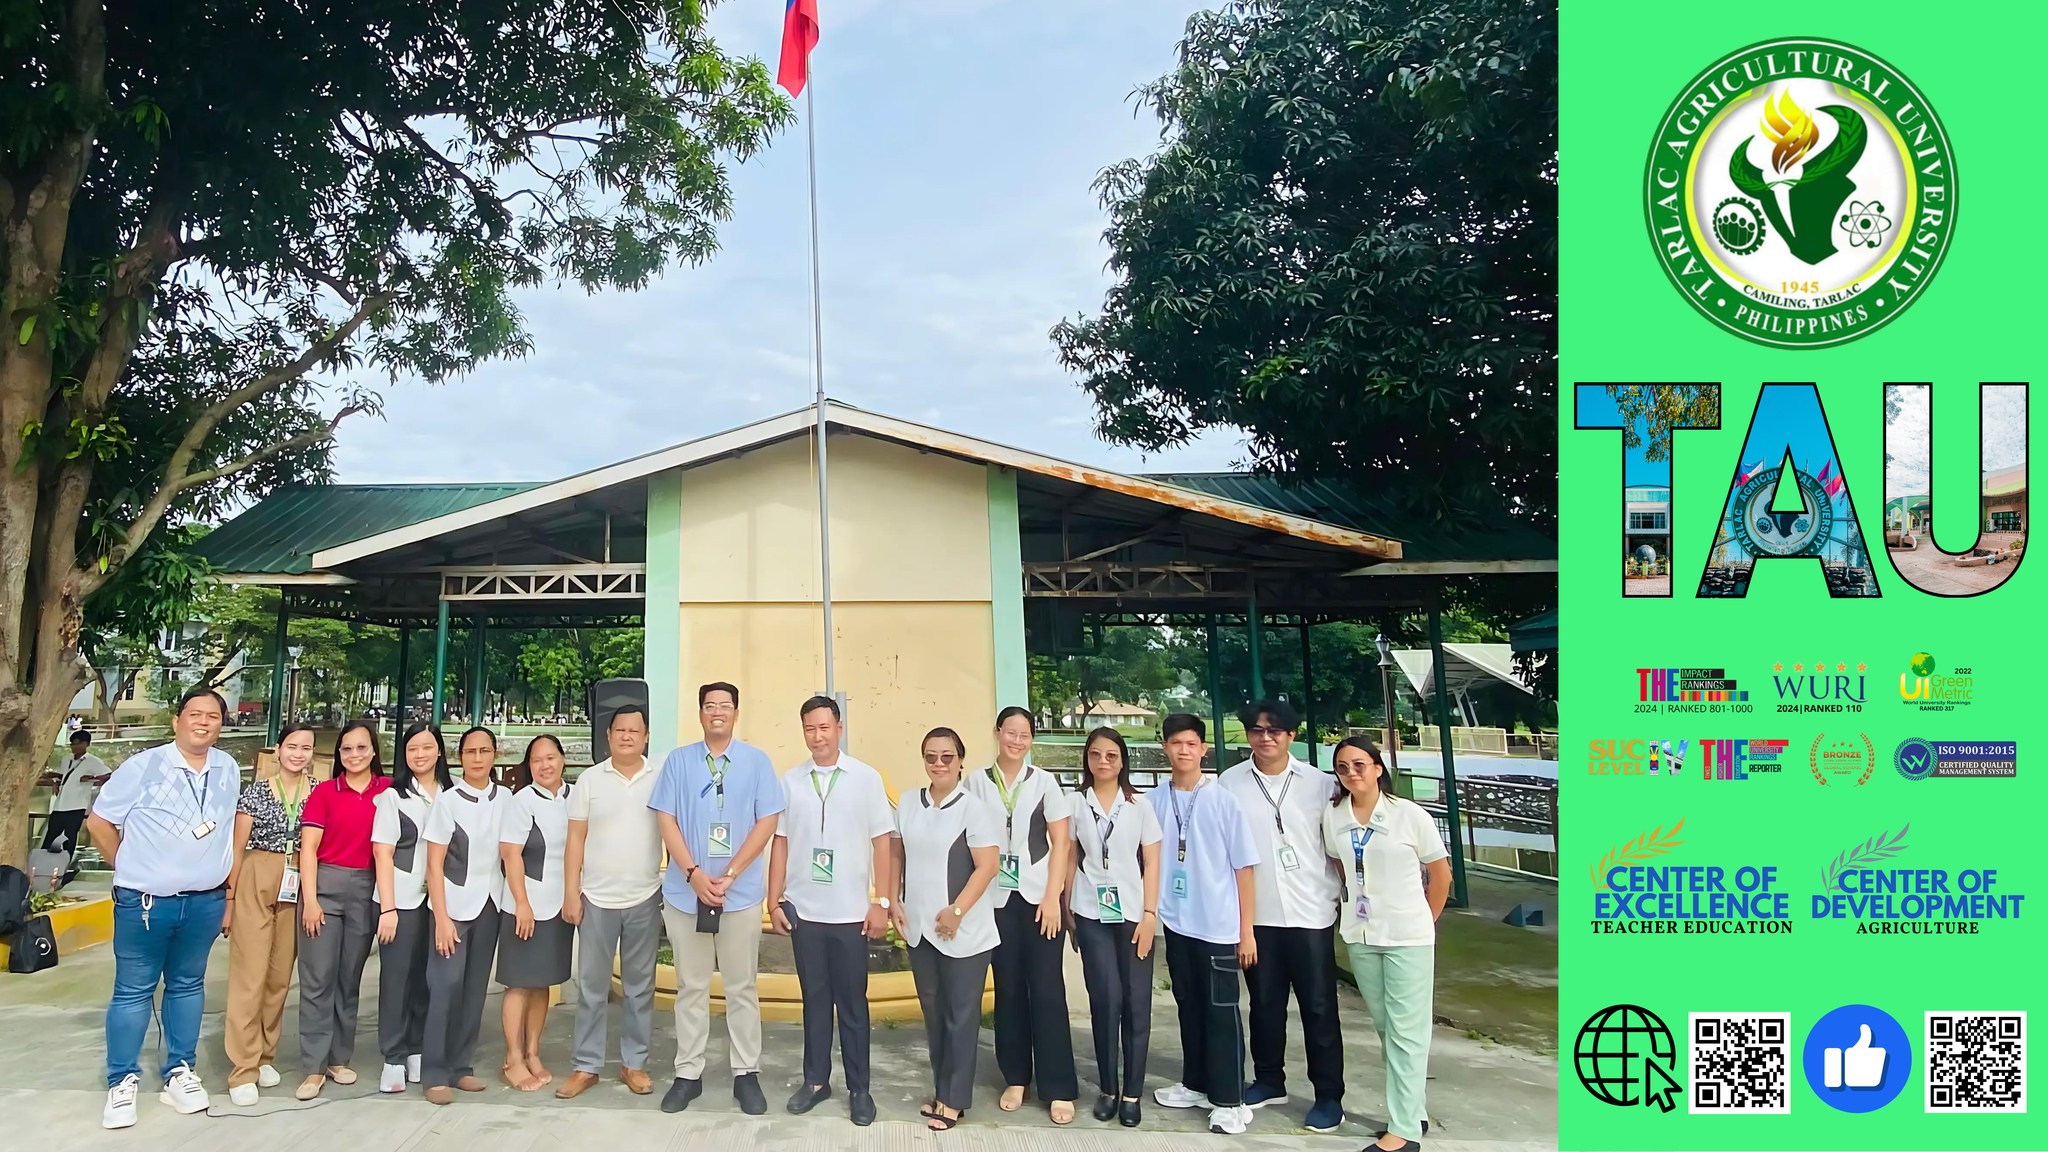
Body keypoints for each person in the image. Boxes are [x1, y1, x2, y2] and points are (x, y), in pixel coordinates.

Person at [86, 688, 242, 1129]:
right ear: (178, 720)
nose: (204, 722)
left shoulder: (227, 768)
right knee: (134, 991)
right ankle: (122, 1080)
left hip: (204, 902)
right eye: (195, 714)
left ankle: (179, 1069)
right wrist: (128, 866)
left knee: (188, 986)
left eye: (213, 716)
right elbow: (99, 821)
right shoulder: (144, 766)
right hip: (146, 904)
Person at [649, 682, 784, 1115]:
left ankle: (747, 1073)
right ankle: (688, 1074)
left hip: (738, 894)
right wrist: (691, 873)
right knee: (691, 986)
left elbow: (766, 822)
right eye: (710, 706)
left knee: (741, 986)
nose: (717, 712)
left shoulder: (756, 762)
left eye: (725, 706)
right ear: (701, 713)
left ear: (736, 712)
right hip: (686, 893)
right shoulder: (679, 761)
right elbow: (666, 819)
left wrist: (729, 874)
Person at [1216, 699, 1346, 1131]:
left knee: (1319, 1008)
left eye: (1275, 730)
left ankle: (1329, 1095)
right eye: (1256, 729)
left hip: (1311, 913)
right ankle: (1270, 1079)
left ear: (1292, 735)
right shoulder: (1229, 784)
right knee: (1264, 1005)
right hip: (1259, 916)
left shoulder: (1320, 784)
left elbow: (1339, 845)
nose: (1265, 737)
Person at [766, 696, 895, 1126]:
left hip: (851, 914)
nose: (817, 737)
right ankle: (816, 1082)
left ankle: (860, 1089)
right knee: (814, 1001)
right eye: (809, 729)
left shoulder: (865, 778)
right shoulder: (791, 781)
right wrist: (774, 897)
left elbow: (883, 842)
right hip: (805, 911)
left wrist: (882, 902)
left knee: (853, 1004)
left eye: (824, 728)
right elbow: (780, 841)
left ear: (839, 727)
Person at [1323, 738, 1451, 1152]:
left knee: (1407, 1034)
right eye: (1342, 767)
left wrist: (1422, 920)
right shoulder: (1335, 814)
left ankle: (1404, 1133)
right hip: (1361, 935)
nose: (1351, 773)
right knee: (1386, 1028)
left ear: (1378, 767)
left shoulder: (1408, 815)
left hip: (1407, 938)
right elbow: (1342, 864)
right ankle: (1414, 1110)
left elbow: (1440, 874)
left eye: (1359, 764)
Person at [1147, 713, 1260, 1135]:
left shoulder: (1222, 800)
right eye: (1175, 743)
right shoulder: (1155, 799)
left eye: (1191, 744)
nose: (1183, 751)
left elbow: (1244, 869)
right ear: (1165, 748)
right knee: (1188, 1006)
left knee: (1222, 1012)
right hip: (1177, 922)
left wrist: (1246, 930)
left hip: (1218, 926)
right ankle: (1196, 1083)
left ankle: (1230, 1099)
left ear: (1203, 749)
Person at [963, 706, 1077, 1123]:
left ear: (1031, 739)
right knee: (1007, 991)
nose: (1017, 740)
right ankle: (1016, 1077)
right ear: (997, 734)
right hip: (994, 901)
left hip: (1037, 899)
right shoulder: (975, 781)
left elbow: (1060, 843)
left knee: (1047, 991)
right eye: (1010, 732)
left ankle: (1059, 1086)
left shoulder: (1045, 783)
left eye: (1024, 734)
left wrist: (1052, 897)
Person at [891, 727, 1002, 1133]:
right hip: (920, 928)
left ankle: (954, 1100)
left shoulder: (974, 808)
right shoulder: (908, 802)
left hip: (963, 931)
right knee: (935, 1014)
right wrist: (892, 901)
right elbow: (895, 852)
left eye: (947, 757)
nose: (939, 764)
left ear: (960, 761)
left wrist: (957, 910)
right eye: (931, 757)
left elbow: (988, 866)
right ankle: (943, 1091)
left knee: (960, 1015)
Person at [559, 704, 665, 1099]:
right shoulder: (589, 781)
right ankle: (586, 1066)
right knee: (591, 986)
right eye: (619, 730)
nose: (626, 736)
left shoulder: (660, 778)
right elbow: (575, 840)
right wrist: (572, 891)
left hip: (644, 895)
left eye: (634, 731)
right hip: (597, 899)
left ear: (645, 736)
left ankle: (633, 1063)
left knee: (640, 987)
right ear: (608, 736)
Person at [1066, 727, 1162, 1127]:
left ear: (1123, 760)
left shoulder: (1139, 805)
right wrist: (1066, 907)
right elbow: (1069, 856)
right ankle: (1108, 1088)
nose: (1103, 762)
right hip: (1091, 913)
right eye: (1095, 755)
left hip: (1133, 917)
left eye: (1111, 755)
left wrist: (1150, 915)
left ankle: (1133, 1093)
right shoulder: (1075, 803)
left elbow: (1153, 861)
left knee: (1136, 1004)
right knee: (1105, 1001)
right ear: (1087, 760)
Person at [221, 724, 318, 1105]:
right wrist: (228, 901)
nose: (298, 753)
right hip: (259, 873)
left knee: (279, 975)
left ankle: (264, 1053)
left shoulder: (318, 793)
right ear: (278, 749)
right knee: (250, 974)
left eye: (306, 747)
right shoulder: (257, 792)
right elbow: (237, 846)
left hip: (298, 877)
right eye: (292, 746)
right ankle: (242, 1067)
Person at [420, 726, 512, 1104]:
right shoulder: (448, 800)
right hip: (453, 907)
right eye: (470, 751)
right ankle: (435, 1072)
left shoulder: (507, 798)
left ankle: (462, 1067)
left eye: (484, 751)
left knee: (475, 990)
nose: (478, 758)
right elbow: (434, 865)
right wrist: (441, 918)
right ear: (459, 757)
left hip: (490, 904)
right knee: (444, 988)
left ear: (494, 755)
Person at [374, 722, 451, 1093]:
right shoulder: (393, 797)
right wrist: (388, 909)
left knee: (428, 977)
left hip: (440, 903)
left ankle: (418, 1048)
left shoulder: (452, 794)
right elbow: (383, 853)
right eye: (411, 749)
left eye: (426, 747)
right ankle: (393, 1055)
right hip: (401, 901)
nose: (419, 755)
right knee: (397, 979)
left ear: (439, 751)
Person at [497, 733, 574, 1091]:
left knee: (543, 982)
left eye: (551, 758)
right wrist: (522, 904)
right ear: (529, 766)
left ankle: (533, 1052)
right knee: (520, 983)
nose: (545, 765)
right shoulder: (522, 801)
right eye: (536, 760)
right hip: (525, 905)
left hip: (560, 905)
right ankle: (513, 1057)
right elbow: (511, 854)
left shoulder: (575, 797)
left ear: (563, 760)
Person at [40, 727, 110, 854]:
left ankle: (65, 865)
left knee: (69, 837)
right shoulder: (67, 759)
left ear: (86, 744)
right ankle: (43, 865)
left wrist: (92, 779)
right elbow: (67, 776)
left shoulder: (93, 761)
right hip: (60, 805)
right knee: (50, 836)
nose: (75, 746)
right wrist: (54, 779)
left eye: (78, 743)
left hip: (76, 805)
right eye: (73, 743)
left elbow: (108, 775)